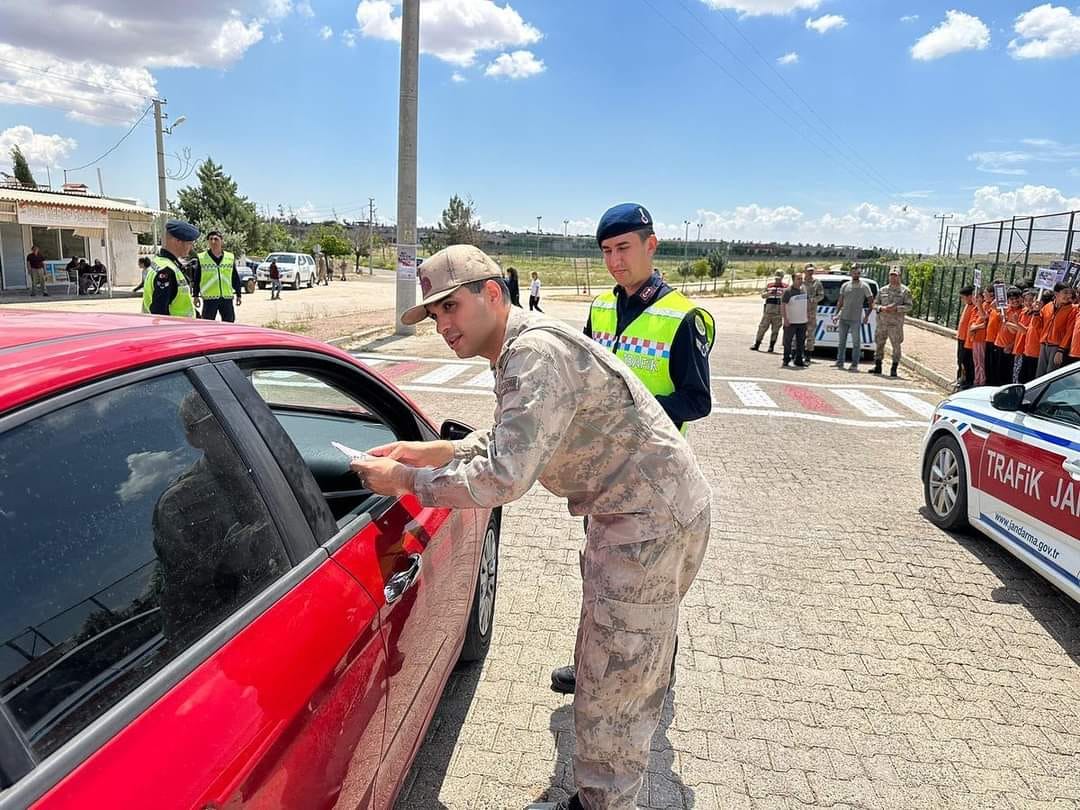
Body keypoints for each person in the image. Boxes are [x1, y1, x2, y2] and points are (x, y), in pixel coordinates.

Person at [349, 244, 712, 810]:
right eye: (435, 315)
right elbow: (512, 440)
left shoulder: (534, 353)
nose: (443, 325)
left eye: (451, 308)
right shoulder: (518, 348)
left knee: (614, 685)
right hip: (634, 515)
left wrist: (402, 480)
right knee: (610, 663)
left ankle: (604, 804)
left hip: (650, 522)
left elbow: (503, 477)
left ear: (491, 294)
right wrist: (436, 451)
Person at [561, 203, 715, 698]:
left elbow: (698, 400)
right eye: (607, 251)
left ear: (651, 244)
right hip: (602, 475)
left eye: (624, 248)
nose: (615, 261)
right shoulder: (602, 308)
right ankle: (588, 664)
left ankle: (654, 676)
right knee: (597, 571)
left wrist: (632, 412)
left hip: (655, 482)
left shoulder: (682, 316)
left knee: (653, 589)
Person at [142, 220, 198, 318]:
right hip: (176, 330)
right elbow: (159, 312)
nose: (191, 247)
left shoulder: (159, 262)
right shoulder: (167, 271)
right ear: (177, 241)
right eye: (189, 243)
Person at [871, 268, 913, 377]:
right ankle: (878, 366)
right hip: (882, 323)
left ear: (899, 276)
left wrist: (897, 309)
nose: (893, 278)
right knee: (879, 344)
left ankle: (894, 368)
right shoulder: (882, 290)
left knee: (896, 346)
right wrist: (882, 308)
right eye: (891, 275)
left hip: (895, 324)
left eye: (895, 276)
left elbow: (909, 306)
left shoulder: (905, 291)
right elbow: (874, 304)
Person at [193, 231, 242, 322]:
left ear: (221, 241)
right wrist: (195, 295)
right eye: (210, 239)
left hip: (226, 297)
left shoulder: (230, 257)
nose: (213, 241)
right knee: (207, 324)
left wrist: (239, 294)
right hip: (209, 298)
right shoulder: (202, 258)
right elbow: (197, 278)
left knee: (229, 322)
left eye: (216, 239)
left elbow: (235, 277)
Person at [832, 266, 874, 371]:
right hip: (843, 317)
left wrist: (867, 316)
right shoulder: (845, 285)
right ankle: (840, 362)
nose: (856, 275)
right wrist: (836, 314)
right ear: (851, 273)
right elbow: (840, 301)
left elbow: (871, 302)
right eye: (854, 273)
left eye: (858, 273)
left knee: (856, 342)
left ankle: (854, 364)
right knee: (842, 341)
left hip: (856, 318)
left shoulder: (864, 286)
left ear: (860, 274)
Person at [1036, 283, 1076, 377]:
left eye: (1070, 293)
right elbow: (1036, 326)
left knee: (1051, 376)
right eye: (1065, 293)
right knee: (1039, 376)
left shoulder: (1072, 309)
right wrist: (1036, 312)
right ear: (1056, 293)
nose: (1068, 296)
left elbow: (1069, 332)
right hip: (1043, 345)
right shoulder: (1047, 306)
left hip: (1057, 347)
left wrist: (1061, 350)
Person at [751, 271, 786, 352]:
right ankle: (757, 344)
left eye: (779, 278)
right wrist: (769, 293)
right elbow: (763, 295)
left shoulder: (785, 287)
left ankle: (771, 346)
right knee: (762, 328)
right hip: (768, 311)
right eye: (776, 278)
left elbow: (788, 298)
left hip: (778, 312)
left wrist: (782, 294)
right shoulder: (770, 285)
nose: (777, 280)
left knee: (775, 330)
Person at [781, 271, 809, 368]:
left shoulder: (804, 290)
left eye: (801, 278)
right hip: (791, 322)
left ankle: (799, 360)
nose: (800, 281)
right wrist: (785, 319)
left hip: (802, 321)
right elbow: (783, 306)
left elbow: (806, 304)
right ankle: (786, 359)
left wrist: (807, 316)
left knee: (801, 342)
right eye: (798, 279)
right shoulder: (788, 291)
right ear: (793, 280)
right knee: (788, 342)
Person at [955, 285, 976, 390]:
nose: (962, 300)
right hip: (961, 337)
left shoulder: (974, 307)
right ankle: (960, 378)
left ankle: (966, 380)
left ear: (969, 297)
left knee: (966, 362)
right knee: (960, 360)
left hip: (967, 340)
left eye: (963, 297)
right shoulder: (968, 305)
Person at [803, 264, 824, 362]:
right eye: (808, 270)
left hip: (811, 312)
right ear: (805, 271)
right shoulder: (800, 282)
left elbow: (821, 295)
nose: (810, 272)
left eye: (812, 270)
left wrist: (814, 300)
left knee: (810, 335)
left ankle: (808, 355)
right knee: (798, 334)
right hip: (800, 312)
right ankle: (796, 353)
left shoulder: (817, 283)